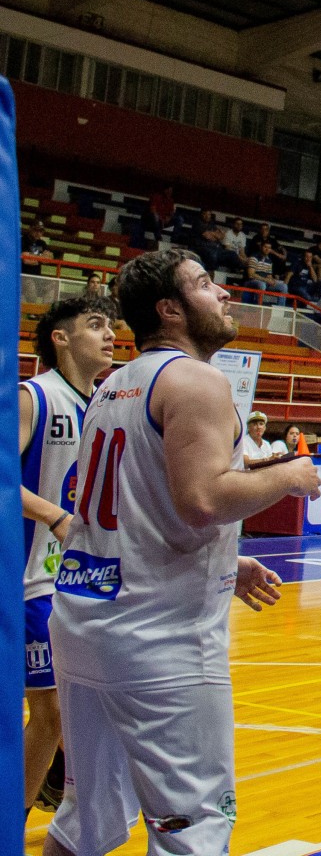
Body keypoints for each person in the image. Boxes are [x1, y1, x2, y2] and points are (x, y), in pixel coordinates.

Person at [44, 250, 321, 856]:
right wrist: (291, 475)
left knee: (85, 822)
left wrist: (225, 562)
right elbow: (202, 500)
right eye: (203, 284)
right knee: (194, 831)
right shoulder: (195, 379)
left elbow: (136, 502)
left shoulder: (114, 384)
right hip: (157, 639)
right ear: (170, 310)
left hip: (86, 619)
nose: (223, 293)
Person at [19, 295, 118, 814]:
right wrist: (55, 516)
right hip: (27, 580)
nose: (110, 334)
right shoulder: (34, 396)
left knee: (66, 710)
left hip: (74, 582)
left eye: (111, 325)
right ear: (60, 338)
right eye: (95, 325)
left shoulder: (104, 407)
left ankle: (48, 785)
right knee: (52, 712)